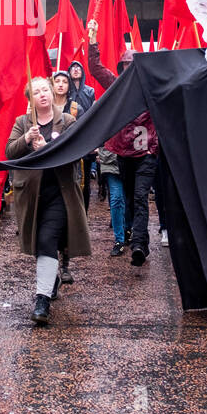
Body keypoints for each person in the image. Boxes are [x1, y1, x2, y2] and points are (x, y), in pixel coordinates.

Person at [7, 77, 90, 324]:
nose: (42, 94)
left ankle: (41, 300)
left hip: (59, 193)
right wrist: (26, 139)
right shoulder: (22, 122)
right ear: (29, 98)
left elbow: (77, 152)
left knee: (47, 239)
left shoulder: (67, 121)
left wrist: (48, 146)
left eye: (45, 90)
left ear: (53, 94)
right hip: (31, 196)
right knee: (39, 243)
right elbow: (10, 152)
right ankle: (50, 278)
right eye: (36, 92)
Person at [87, 20, 159, 266]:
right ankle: (133, 236)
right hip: (123, 155)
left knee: (140, 197)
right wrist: (93, 39)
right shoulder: (116, 85)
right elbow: (96, 68)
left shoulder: (152, 88)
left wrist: (154, 145)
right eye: (126, 64)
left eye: (134, 64)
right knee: (129, 197)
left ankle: (139, 244)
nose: (130, 68)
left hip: (146, 155)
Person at [65, 59, 99, 212]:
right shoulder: (65, 92)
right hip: (69, 138)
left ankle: (83, 212)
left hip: (85, 138)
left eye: (79, 67)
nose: (76, 70)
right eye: (73, 68)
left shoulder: (89, 91)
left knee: (84, 181)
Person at [97, 146, 125, 255]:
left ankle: (128, 230)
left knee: (130, 199)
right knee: (117, 198)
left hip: (132, 161)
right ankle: (119, 239)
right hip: (111, 164)